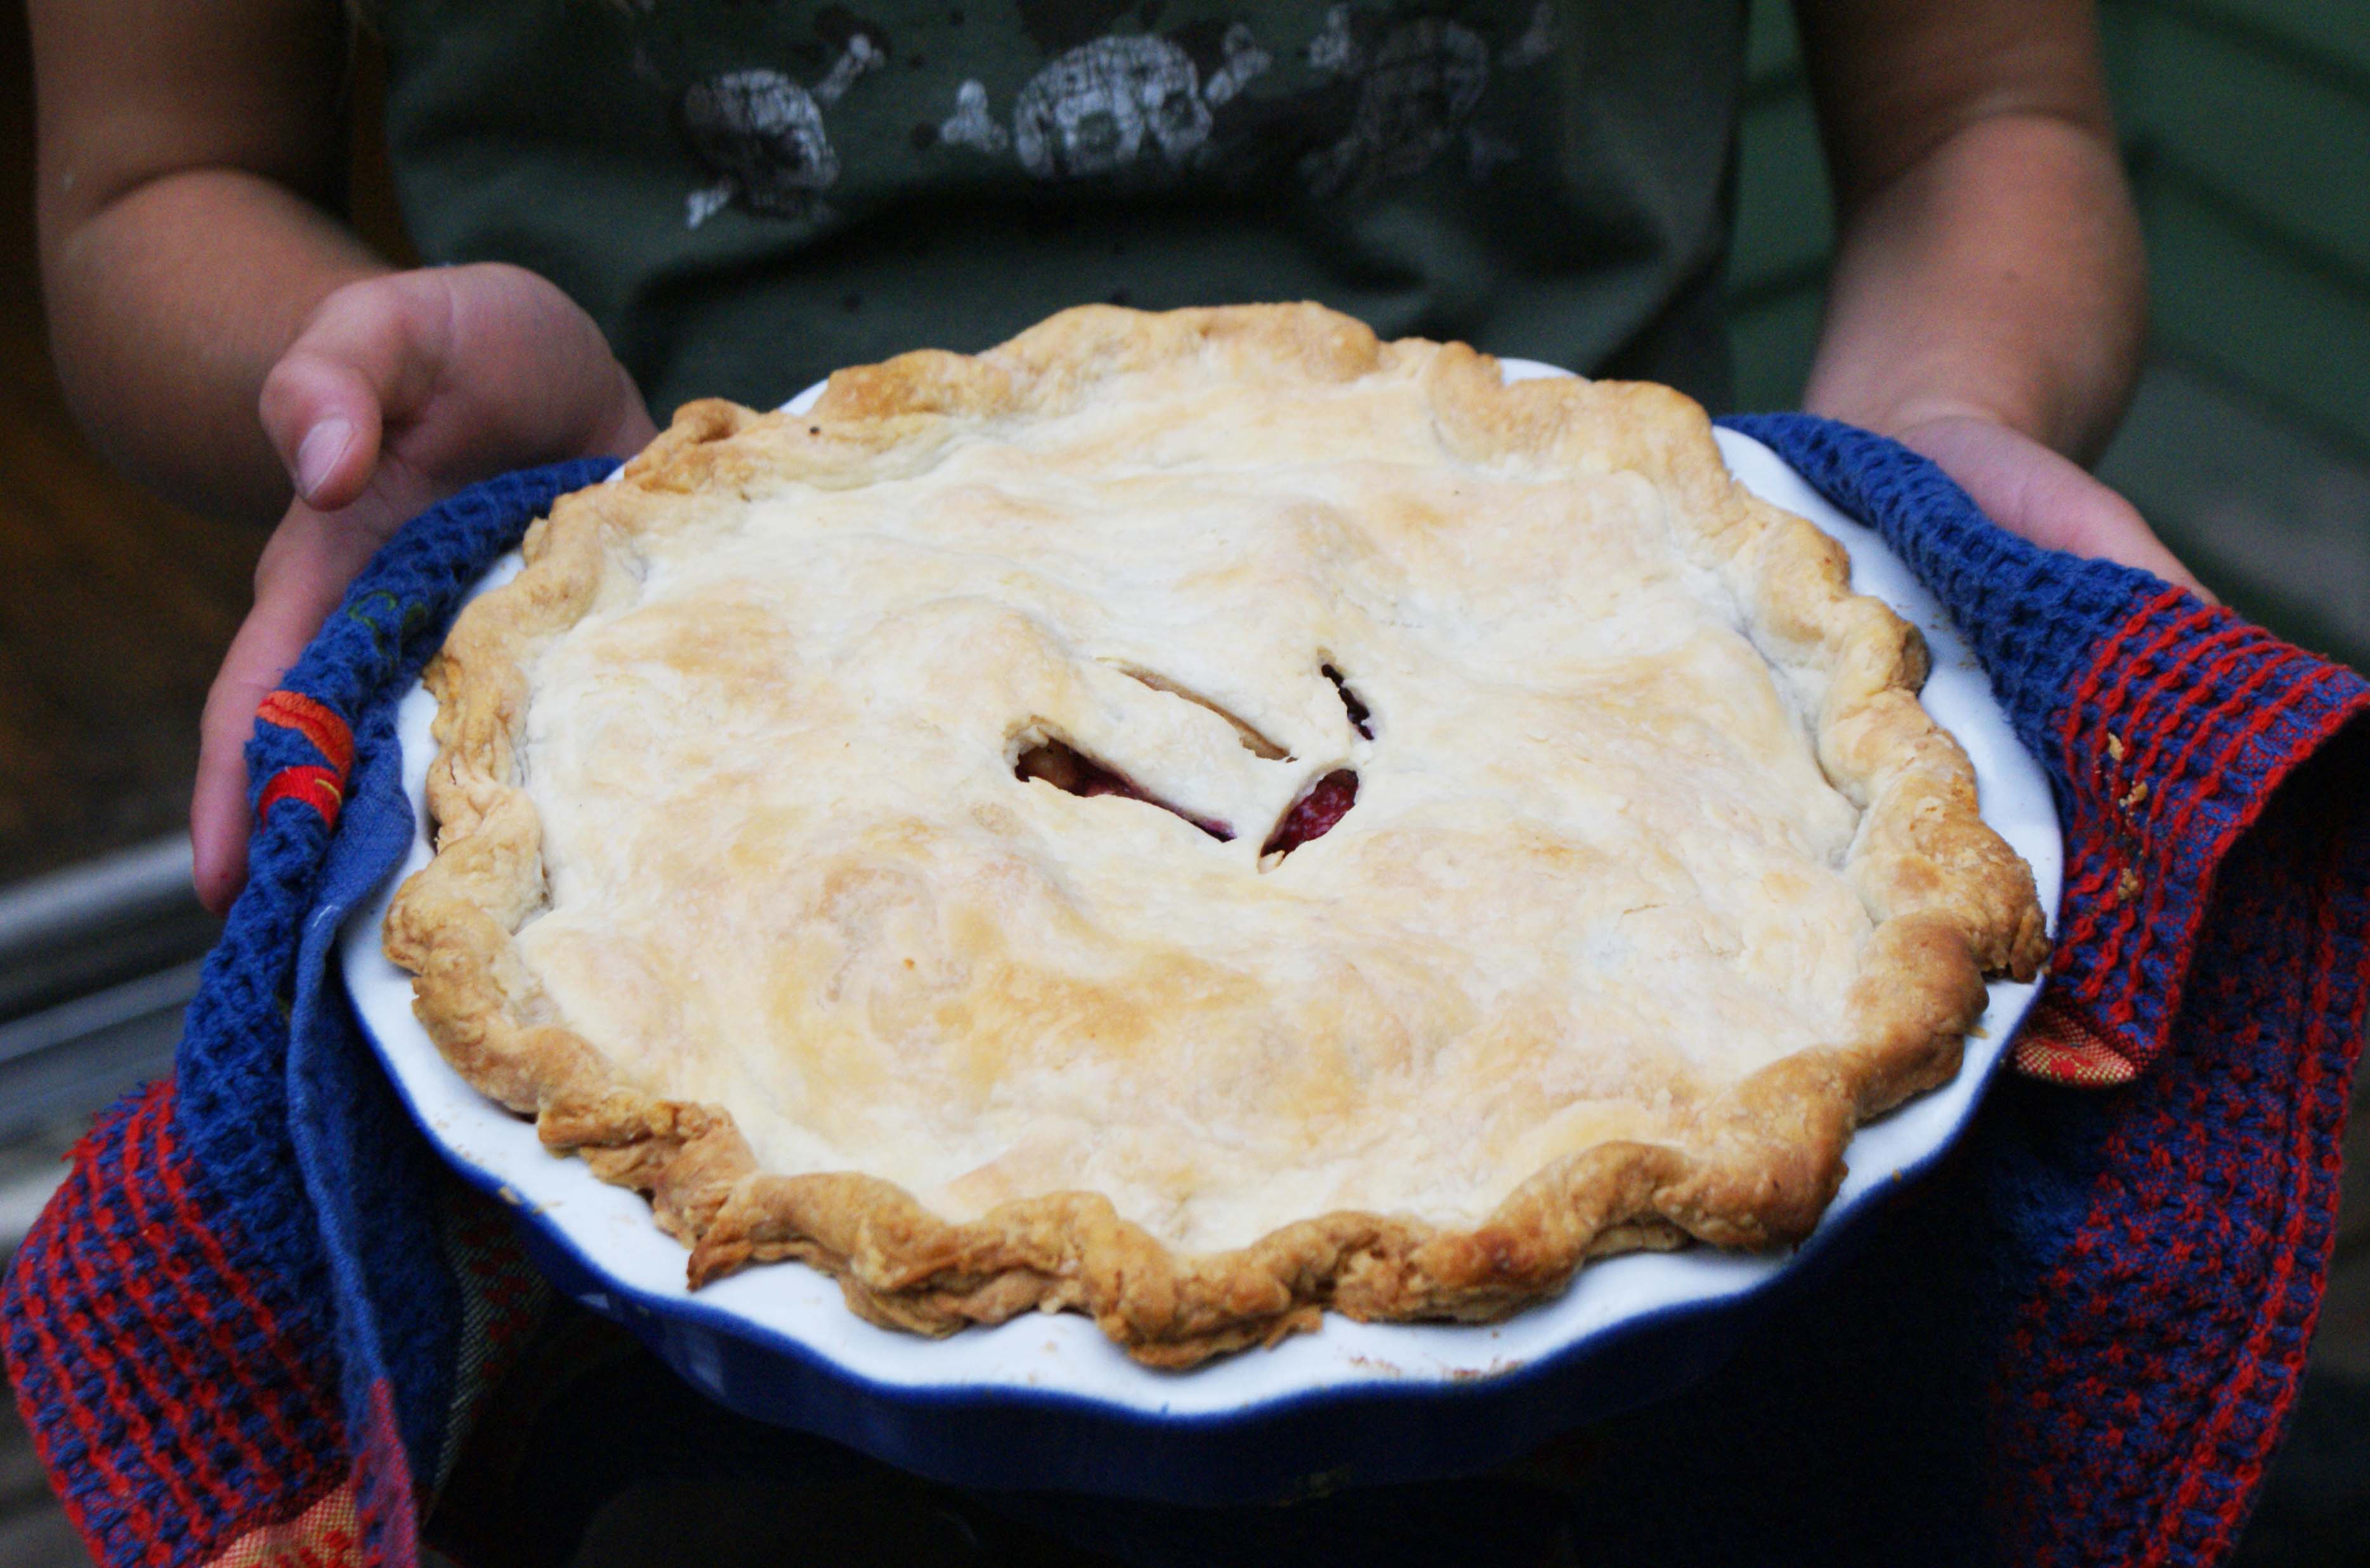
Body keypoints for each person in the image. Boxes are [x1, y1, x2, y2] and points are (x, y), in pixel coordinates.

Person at [27, 0, 2199, 920]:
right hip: (690, 728)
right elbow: (157, 181)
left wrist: (1927, 447)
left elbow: (1981, 120)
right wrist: (389, 415)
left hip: (1622, 737)